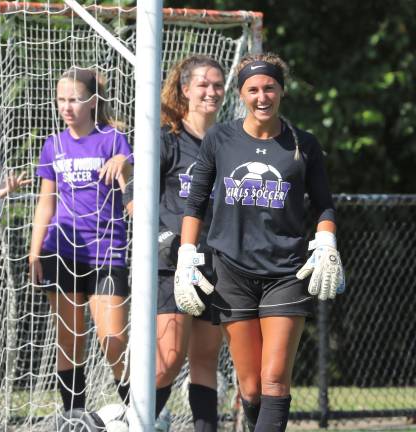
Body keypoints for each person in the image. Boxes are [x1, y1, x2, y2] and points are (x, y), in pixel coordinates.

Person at [175, 53, 345, 432]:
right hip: (231, 273)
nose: (262, 96)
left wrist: (326, 242)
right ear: (241, 94)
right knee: (250, 389)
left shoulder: (304, 144)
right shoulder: (221, 137)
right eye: (253, 89)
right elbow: (196, 200)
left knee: (273, 381)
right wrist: (187, 255)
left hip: (286, 273)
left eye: (270, 87)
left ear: (282, 91)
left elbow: (324, 206)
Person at [123, 55, 226, 432]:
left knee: (204, 361)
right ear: (185, 90)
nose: (211, 92)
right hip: (172, 267)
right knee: (166, 361)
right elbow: (133, 197)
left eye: (217, 85)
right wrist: (163, 239)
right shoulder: (168, 142)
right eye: (203, 85)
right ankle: (132, 424)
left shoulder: (227, 145)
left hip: (216, 266)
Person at [29, 67, 133, 413]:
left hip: (107, 252)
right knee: (70, 341)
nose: (67, 106)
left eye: (74, 99)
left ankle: (140, 413)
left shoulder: (114, 141)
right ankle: (73, 416)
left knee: (113, 340)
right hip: (60, 250)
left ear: (92, 101)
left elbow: (132, 196)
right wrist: (34, 250)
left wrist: (126, 164)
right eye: (61, 100)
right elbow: (47, 202)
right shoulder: (53, 145)